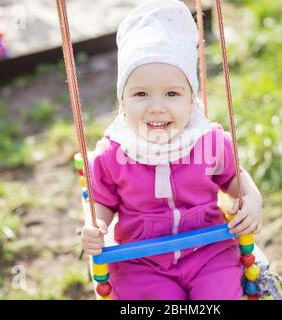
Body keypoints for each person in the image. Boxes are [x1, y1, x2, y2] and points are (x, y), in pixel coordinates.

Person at [80, 0, 262, 300]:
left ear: (191, 100)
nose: (157, 107)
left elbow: (234, 179)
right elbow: (101, 201)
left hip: (209, 252)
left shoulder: (209, 141)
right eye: (140, 94)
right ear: (122, 102)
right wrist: (96, 224)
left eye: (172, 93)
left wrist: (252, 198)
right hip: (141, 261)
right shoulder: (113, 152)